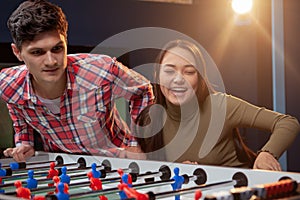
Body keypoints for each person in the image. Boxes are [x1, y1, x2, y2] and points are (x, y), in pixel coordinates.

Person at [0, 0, 154, 162]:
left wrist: (137, 142)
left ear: (66, 42)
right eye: (37, 52)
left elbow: (143, 90)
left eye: (57, 48)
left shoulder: (102, 70)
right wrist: (24, 142)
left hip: (118, 161)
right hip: (63, 164)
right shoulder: (7, 84)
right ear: (17, 52)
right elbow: (17, 111)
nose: (51, 61)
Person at [135, 39, 300, 171]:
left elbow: (287, 122)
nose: (178, 79)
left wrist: (267, 154)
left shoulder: (221, 106)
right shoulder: (151, 118)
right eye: (169, 71)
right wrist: (178, 170)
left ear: (199, 79)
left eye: (189, 72)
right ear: (157, 75)